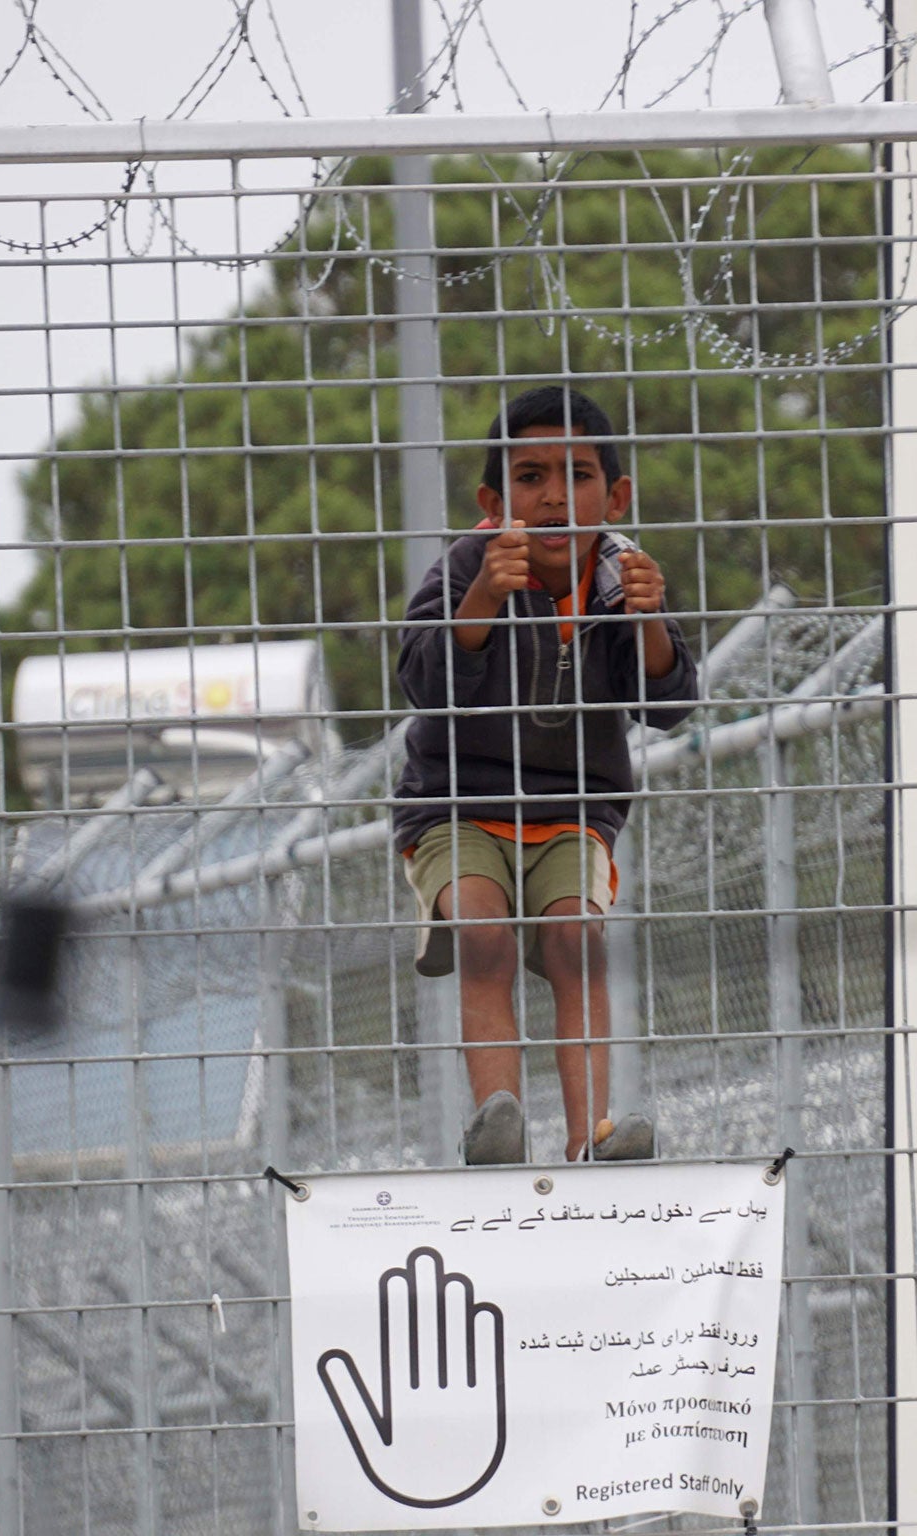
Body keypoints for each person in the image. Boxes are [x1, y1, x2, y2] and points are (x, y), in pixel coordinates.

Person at [394, 386, 697, 1165]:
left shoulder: (621, 578)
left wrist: (650, 620)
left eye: (578, 475)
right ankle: (499, 1126)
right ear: (493, 503)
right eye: (530, 477)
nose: (556, 496)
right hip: (459, 806)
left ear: (616, 494)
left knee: (575, 940)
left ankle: (589, 1138)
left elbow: (665, 706)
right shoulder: (466, 567)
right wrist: (484, 597)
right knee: (485, 932)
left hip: (572, 810)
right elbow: (426, 684)